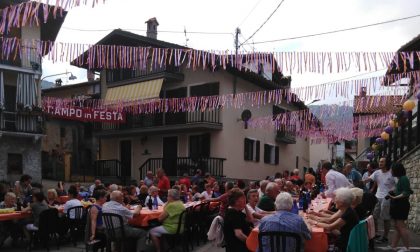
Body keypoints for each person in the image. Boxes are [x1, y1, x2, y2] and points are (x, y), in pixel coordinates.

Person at [363, 157, 395, 243]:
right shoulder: (377, 172)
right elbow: (367, 180)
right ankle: (376, 233)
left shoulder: (391, 173)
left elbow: (397, 184)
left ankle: (385, 237)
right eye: (379, 162)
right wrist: (357, 183)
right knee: (374, 217)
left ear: (387, 163)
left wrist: (392, 192)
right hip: (377, 197)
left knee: (386, 218)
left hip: (387, 197)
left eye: (382, 162)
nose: (380, 163)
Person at [388, 163, 412, 252]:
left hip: (401, 204)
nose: (391, 171)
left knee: (401, 226)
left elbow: (406, 192)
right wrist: (393, 192)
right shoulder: (400, 179)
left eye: (392, 170)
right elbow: (401, 190)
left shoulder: (403, 178)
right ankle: (393, 245)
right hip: (398, 204)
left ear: (396, 170)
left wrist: (394, 197)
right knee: (397, 226)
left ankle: (407, 248)